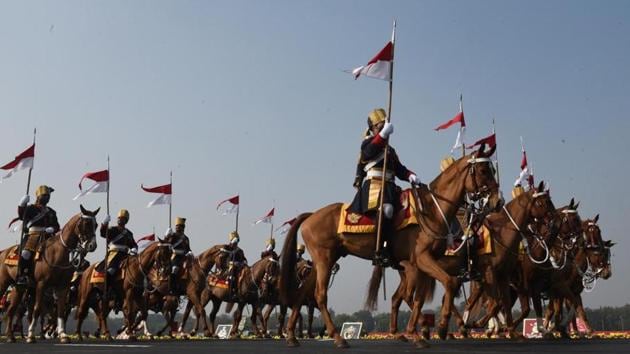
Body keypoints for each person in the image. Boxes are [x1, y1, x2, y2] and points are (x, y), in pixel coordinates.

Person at [349, 108, 419, 268]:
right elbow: (368, 153)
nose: (382, 131)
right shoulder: (368, 143)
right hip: (374, 185)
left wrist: (410, 175)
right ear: (372, 129)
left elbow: (399, 169)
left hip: (390, 187)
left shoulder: (390, 150)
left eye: (384, 128)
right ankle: (379, 250)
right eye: (379, 128)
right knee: (386, 209)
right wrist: (382, 135)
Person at [16, 185, 60, 286]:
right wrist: (21, 205)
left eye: (48, 196)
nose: (47, 198)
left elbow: (56, 226)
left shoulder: (51, 212)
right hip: (33, 236)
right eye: (44, 195)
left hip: (48, 237)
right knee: (26, 253)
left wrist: (52, 228)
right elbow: (22, 216)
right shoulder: (31, 208)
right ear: (38, 196)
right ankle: (22, 275)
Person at [100, 209, 137, 292]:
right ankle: (106, 291)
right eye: (119, 218)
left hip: (125, 255)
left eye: (122, 218)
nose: (120, 219)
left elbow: (133, 244)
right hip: (114, 255)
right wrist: (104, 224)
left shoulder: (129, 233)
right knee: (110, 271)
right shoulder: (112, 229)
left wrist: (134, 249)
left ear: (126, 221)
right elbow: (103, 233)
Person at [165, 217, 191, 295]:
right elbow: (166, 243)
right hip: (174, 257)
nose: (176, 227)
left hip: (183, 258)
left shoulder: (186, 238)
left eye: (178, 226)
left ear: (182, 227)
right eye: (176, 226)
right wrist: (167, 235)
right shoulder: (173, 235)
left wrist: (190, 253)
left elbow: (188, 249)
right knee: (174, 269)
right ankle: (171, 288)